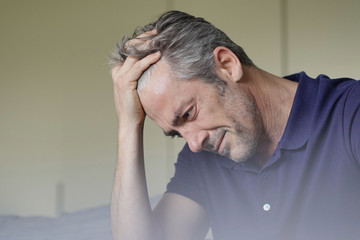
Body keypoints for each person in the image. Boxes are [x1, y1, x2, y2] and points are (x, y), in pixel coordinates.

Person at [109, 10, 360, 240]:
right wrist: (129, 126)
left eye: (188, 113)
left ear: (228, 65)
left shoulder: (350, 112)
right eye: (176, 134)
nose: (193, 143)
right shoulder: (204, 157)